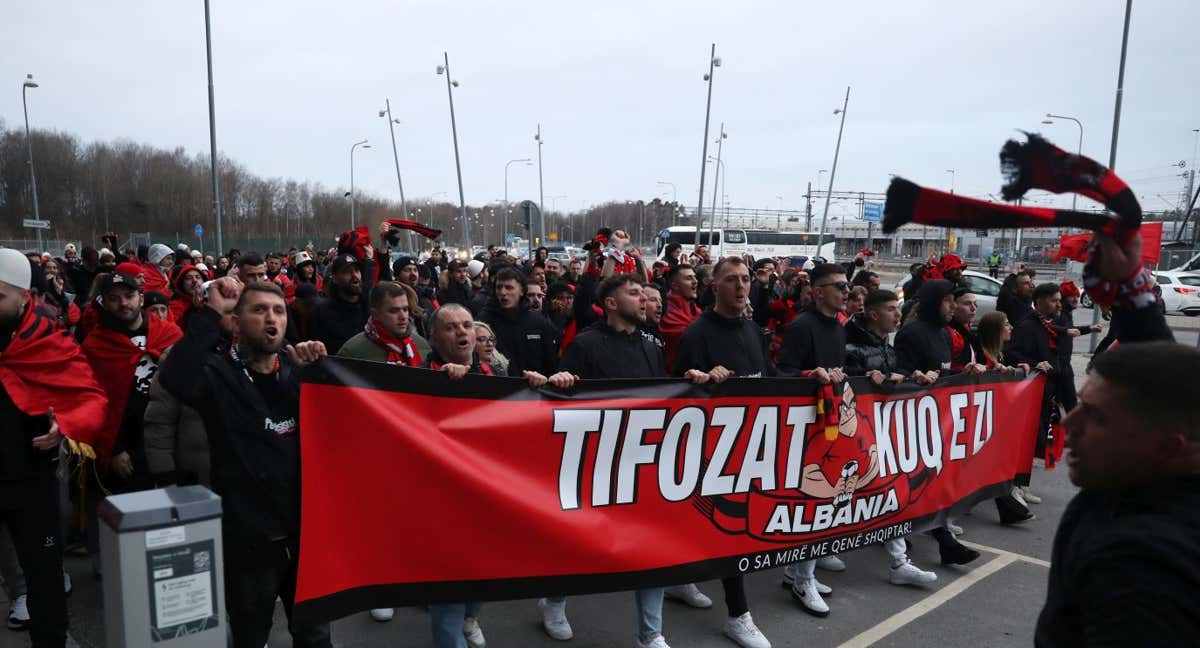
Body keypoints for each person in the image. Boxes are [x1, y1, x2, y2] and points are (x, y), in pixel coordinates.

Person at [159, 278, 333, 648]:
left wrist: (317, 368)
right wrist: (211, 312)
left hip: (305, 537)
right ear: (236, 322)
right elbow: (176, 377)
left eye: (279, 311)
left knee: (316, 636)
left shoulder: (298, 371)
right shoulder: (218, 375)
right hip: (249, 542)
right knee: (251, 635)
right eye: (259, 310)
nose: (271, 318)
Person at [1035, 342, 1200, 647]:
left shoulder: (1141, 568)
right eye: (1081, 404)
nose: (1069, 424)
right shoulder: (1117, 485)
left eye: (1097, 417)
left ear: (1170, 446)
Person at [549, 274, 682, 648]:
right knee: (579, 546)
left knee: (652, 547)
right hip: (595, 465)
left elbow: (662, 396)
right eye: (634, 292)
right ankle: (555, 600)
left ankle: (650, 634)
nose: (644, 300)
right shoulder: (585, 345)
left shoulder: (652, 346)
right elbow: (561, 399)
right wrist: (560, 381)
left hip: (641, 462)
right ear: (610, 302)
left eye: (645, 293)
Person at [0, 248, 109, 648]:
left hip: (32, 484)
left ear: (25, 298)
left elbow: (91, 398)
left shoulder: (49, 341)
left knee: (46, 584)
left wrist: (65, 426)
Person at [669, 257, 774, 648]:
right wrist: (702, 380)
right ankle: (739, 615)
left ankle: (678, 577)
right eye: (732, 280)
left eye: (746, 279)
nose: (742, 286)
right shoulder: (696, 334)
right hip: (715, 449)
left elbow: (772, 378)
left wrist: (812, 379)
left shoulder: (754, 331)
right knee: (730, 527)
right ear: (715, 286)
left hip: (756, 443)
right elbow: (679, 389)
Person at [893, 280, 1021, 554]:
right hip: (909, 417)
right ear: (933, 302)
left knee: (932, 477)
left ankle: (937, 537)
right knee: (912, 480)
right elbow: (899, 372)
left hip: (936, 417)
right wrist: (915, 378)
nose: (952, 306)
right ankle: (923, 539)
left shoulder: (943, 335)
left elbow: (943, 373)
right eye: (949, 301)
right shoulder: (912, 333)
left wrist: (964, 373)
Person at [81, 272, 184, 495]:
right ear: (104, 303)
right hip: (127, 444)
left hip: (170, 438)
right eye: (114, 298)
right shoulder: (95, 345)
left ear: (141, 297)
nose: (123, 304)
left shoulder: (170, 334)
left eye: (129, 296)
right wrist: (115, 449)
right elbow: (92, 402)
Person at [478, 267, 561, 376]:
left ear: (522, 291)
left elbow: (551, 363)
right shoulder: (484, 323)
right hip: (497, 388)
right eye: (499, 287)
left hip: (533, 389)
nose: (503, 292)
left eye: (509, 288)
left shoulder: (539, 323)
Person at [336, 282, 426, 366]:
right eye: (394, 311)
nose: (403, 317)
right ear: (375, 314)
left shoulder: (422, 346)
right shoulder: (352, 352)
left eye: (405, 309)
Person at [307, 253, 370, 355]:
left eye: (357, 271)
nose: (355, 276)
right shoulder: (321, 312)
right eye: (347, 272)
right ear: (335, 279)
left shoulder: (370, 307)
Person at [658, 264, 700, 370]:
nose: (695, 281)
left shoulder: (694, 307)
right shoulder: (666, 310)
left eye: (695, 277)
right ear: (675, 285)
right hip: (675, 378)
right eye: (688, 278)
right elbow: (692, 337)